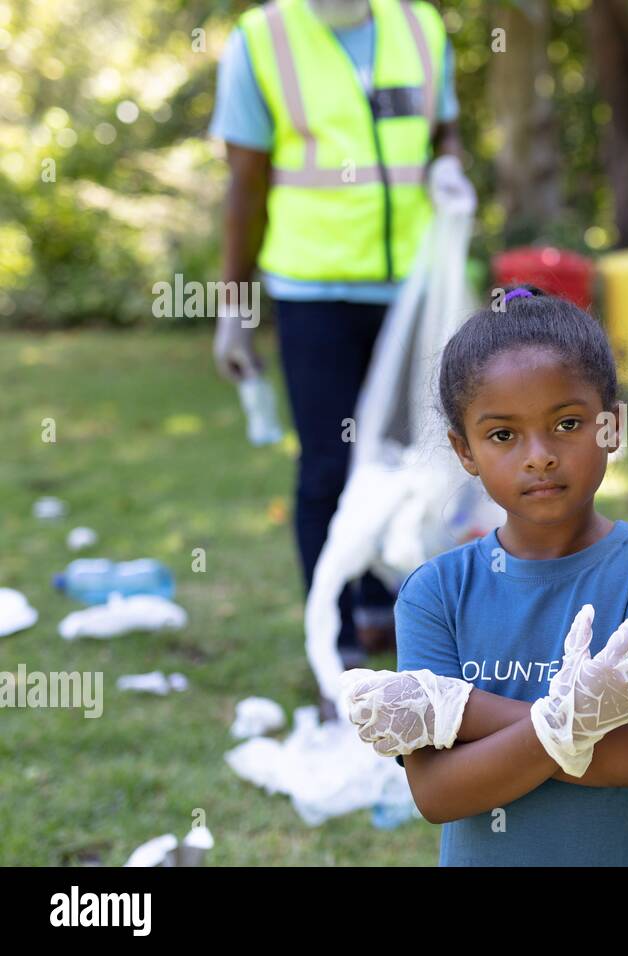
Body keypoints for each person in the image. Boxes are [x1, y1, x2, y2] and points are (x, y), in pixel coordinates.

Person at [341, 286, 628, 866]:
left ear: (612, 425)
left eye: (567, 423)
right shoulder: (435, 593)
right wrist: (573, 719)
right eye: (502, 435)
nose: (539, 455)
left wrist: (453, 708)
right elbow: (439, 792)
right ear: (463, 450)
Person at [208, 0, 469, 666]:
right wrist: (233, 306)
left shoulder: (420, 27)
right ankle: (340, 639)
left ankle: (391, 606)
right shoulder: (261, 40)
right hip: (314, 290)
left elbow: (445, 131)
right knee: (329, 463)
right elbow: (245, 183)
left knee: (418, 460)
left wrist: (448, 164)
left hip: (411, 290)